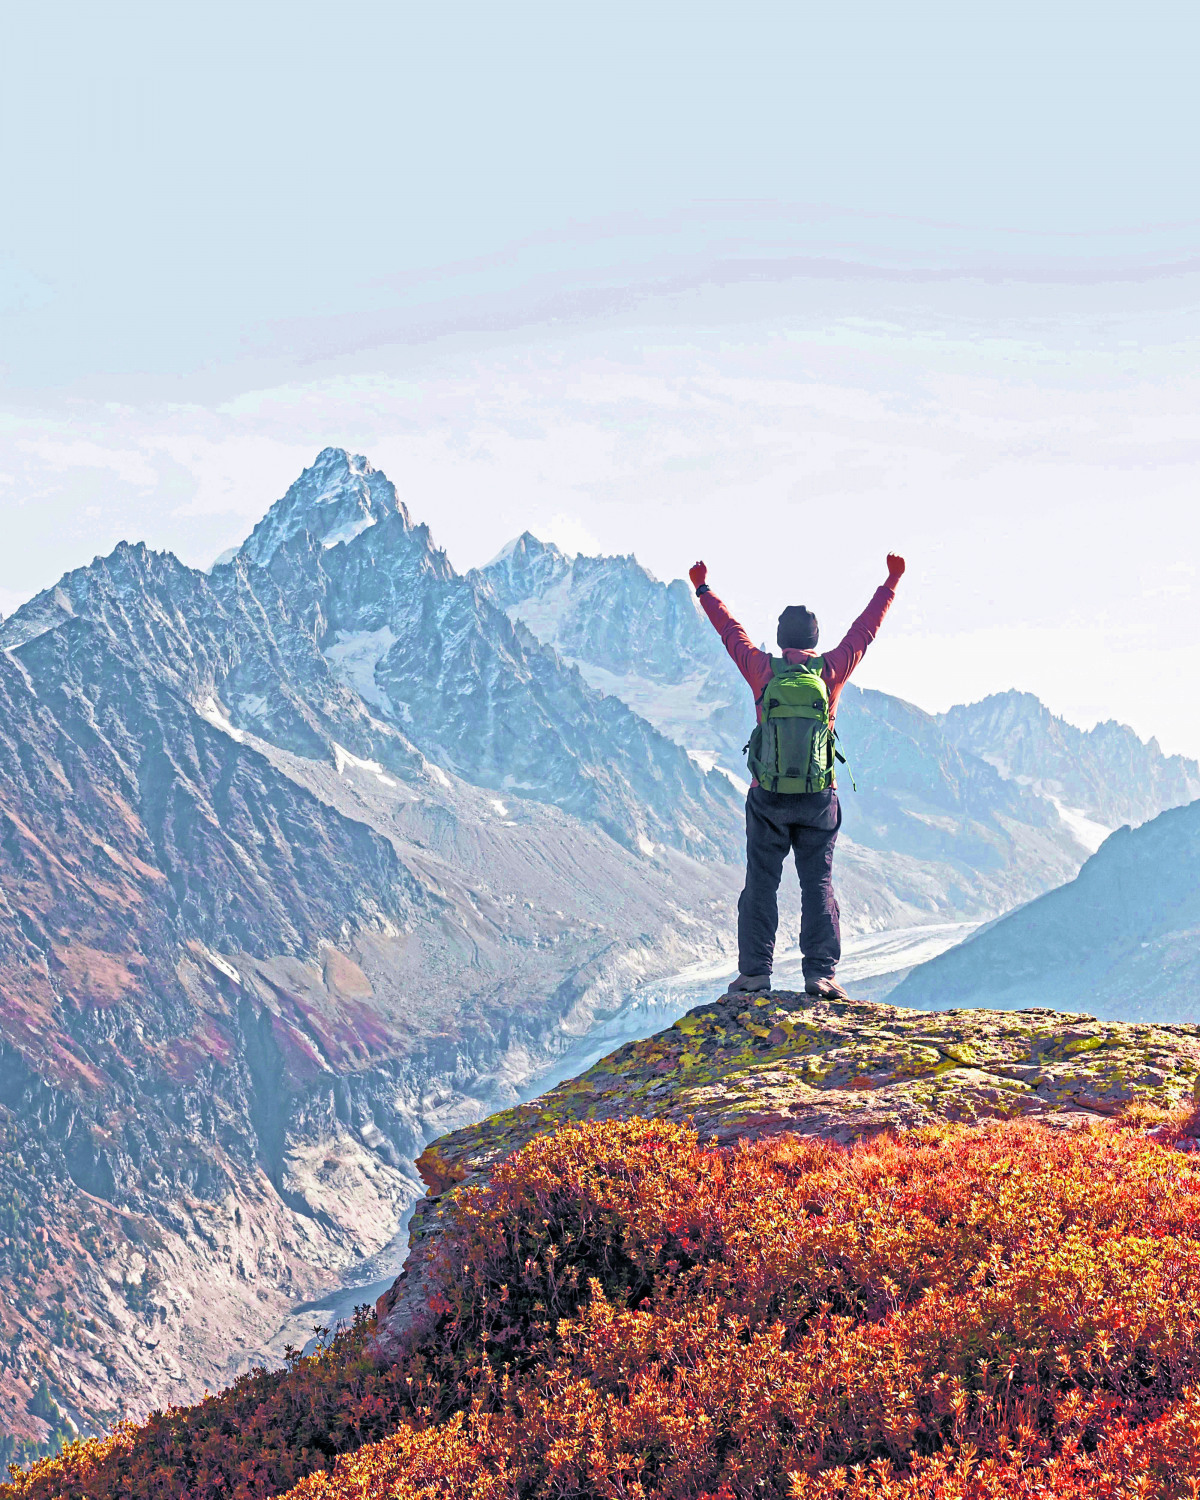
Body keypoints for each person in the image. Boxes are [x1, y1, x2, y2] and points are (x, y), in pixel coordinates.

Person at [689, 554, 906, 999]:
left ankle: (754, 974)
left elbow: (731, 634)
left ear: (780, 639)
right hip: (817, 799)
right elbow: (864, 632)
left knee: (761, 883)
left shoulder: (762, 670)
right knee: (818, 883)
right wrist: (890, 582)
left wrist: (703, 589)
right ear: (814, 640)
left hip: (766, 797)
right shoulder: (830, 671)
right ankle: (820, 974)